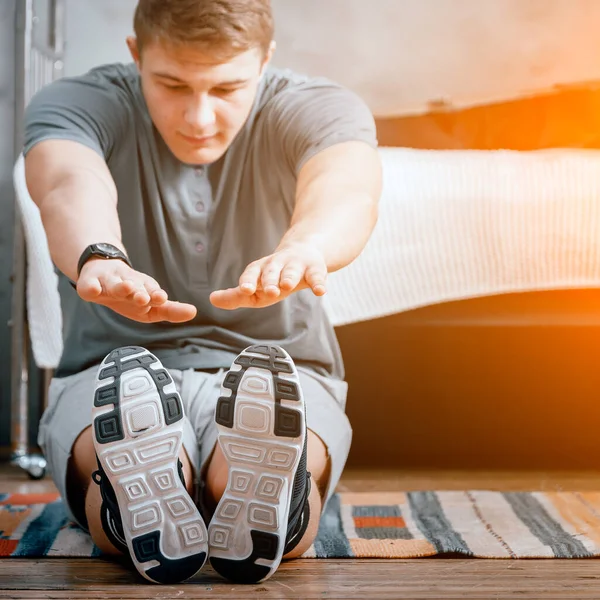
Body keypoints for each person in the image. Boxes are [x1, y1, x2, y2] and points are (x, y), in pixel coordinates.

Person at [25, 0, 381, 585]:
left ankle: (219, 490)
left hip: (277, 373)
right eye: (171, 84)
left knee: (264, 449)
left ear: (265, 60)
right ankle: (189, 488)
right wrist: (100, 254)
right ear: (136, 53)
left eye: (226, 88)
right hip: (115, 370)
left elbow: (346, 187)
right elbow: (67, 180)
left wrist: (306, 246)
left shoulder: (317, 105)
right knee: (119, 450)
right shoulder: (79, 103)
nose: (199, 117)